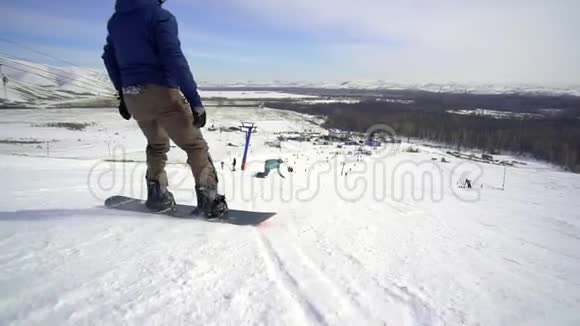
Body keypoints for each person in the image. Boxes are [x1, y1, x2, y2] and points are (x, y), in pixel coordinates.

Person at [102, 0, 228, 218]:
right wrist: (194, 99)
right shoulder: (159, 17)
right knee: (195, 146)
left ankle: (157, 196)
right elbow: (174, 58)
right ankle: (210, 201)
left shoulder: (116, 20)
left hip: (133, 95)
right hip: (162, 93)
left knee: (157, 145)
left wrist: (123, 96)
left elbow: (109, 57)